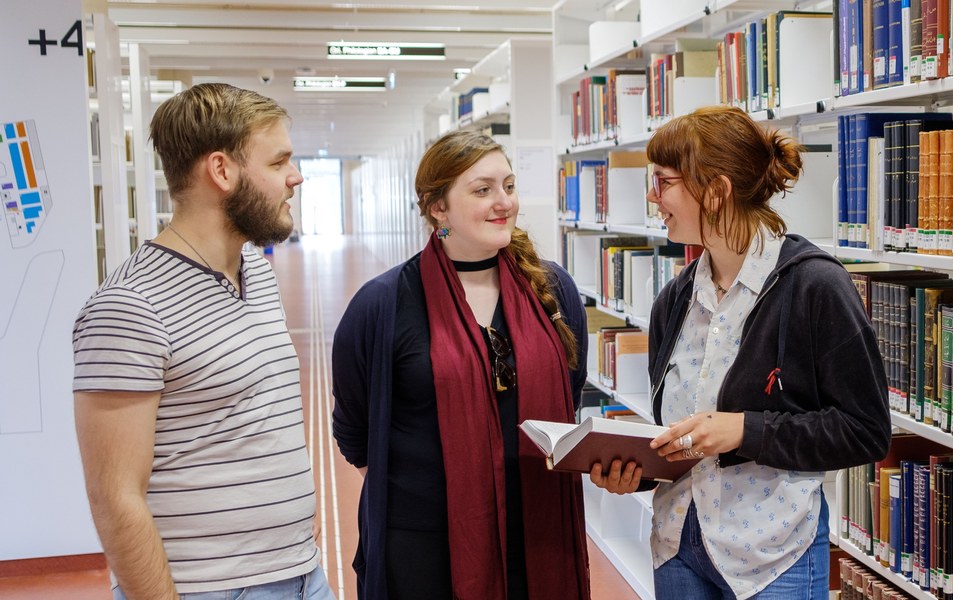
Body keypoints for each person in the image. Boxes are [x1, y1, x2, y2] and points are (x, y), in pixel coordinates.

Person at [590, 105, 891, 599]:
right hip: (677, 545)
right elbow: (677, 433)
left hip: (772, 557)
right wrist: (637, 471)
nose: (651, 196)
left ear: (716, 190)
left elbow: (866, 430)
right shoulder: (676, 300)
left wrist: (744, 430)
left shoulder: (816, 287)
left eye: (663, 182)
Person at [72, 83, 333, 599]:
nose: (295, 176)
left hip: (302, 573)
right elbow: (114, 498)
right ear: (222, 171)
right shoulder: (128, 307)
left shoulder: (254, 271)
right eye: (280, 161)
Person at [331, 130, 591, 600]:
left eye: (508, 186)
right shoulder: (383, 304)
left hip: (539, 534)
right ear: (438, 208)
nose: (503, 202)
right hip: (426, 548)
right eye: (482, 190)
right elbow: (354, 430)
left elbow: (569, 391)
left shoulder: (552, 290)